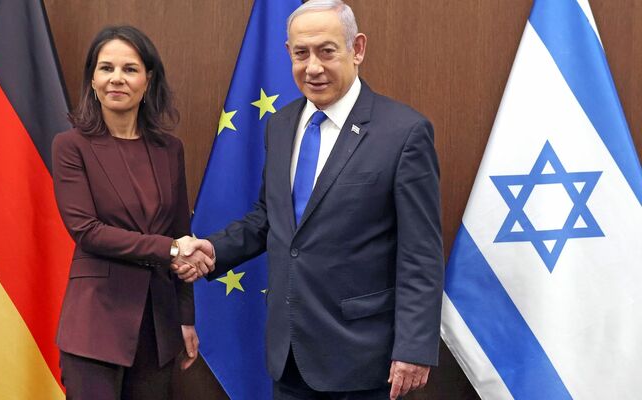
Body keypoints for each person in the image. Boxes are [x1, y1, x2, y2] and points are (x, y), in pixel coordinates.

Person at [174, 1, 444, 399]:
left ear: (358, 49)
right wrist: (213, 249)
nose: (312, 66)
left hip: (365, 360)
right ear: (288, 54)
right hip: (289, 356)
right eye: (301, 53)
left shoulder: (403, 132)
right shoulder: (281, 125)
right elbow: (270, 217)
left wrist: (414, 348)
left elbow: (421, 252)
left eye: (326, 50)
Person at [52, 25, 213, 400]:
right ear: (92, 80)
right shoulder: (71, 146)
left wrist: (185, 317)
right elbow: (88, 231)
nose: (117, 79)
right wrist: (170, 250)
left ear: (148, 79)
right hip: (96, 324)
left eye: (129, 69)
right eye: (106, 68)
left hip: (157, 326)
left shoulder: (169, 149)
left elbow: (180, 230)